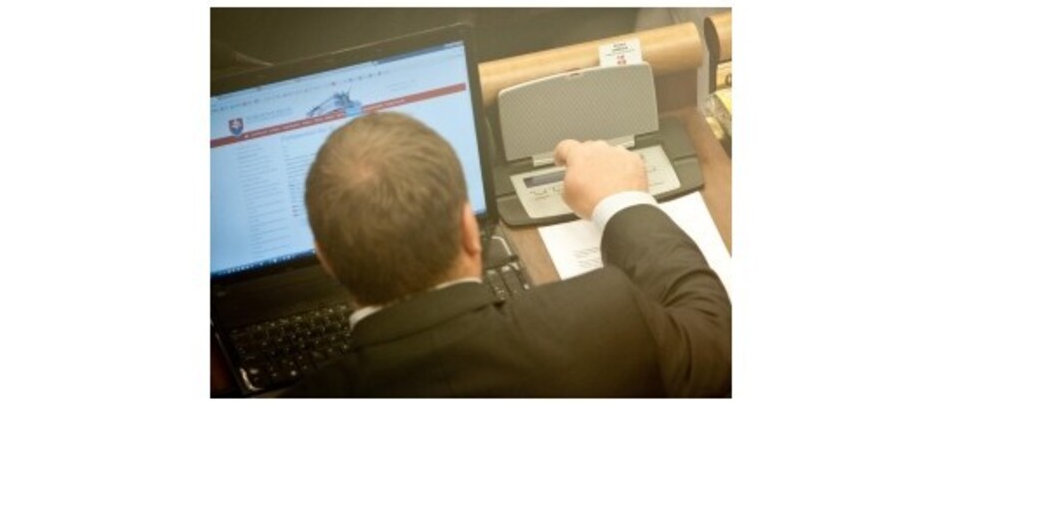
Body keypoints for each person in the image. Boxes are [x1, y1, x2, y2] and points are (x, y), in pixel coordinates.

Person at [286, 111, 731, 397]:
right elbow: (719, 343)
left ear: (326, 259)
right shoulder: (603, 319)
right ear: (469, 228)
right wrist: (621, 201)